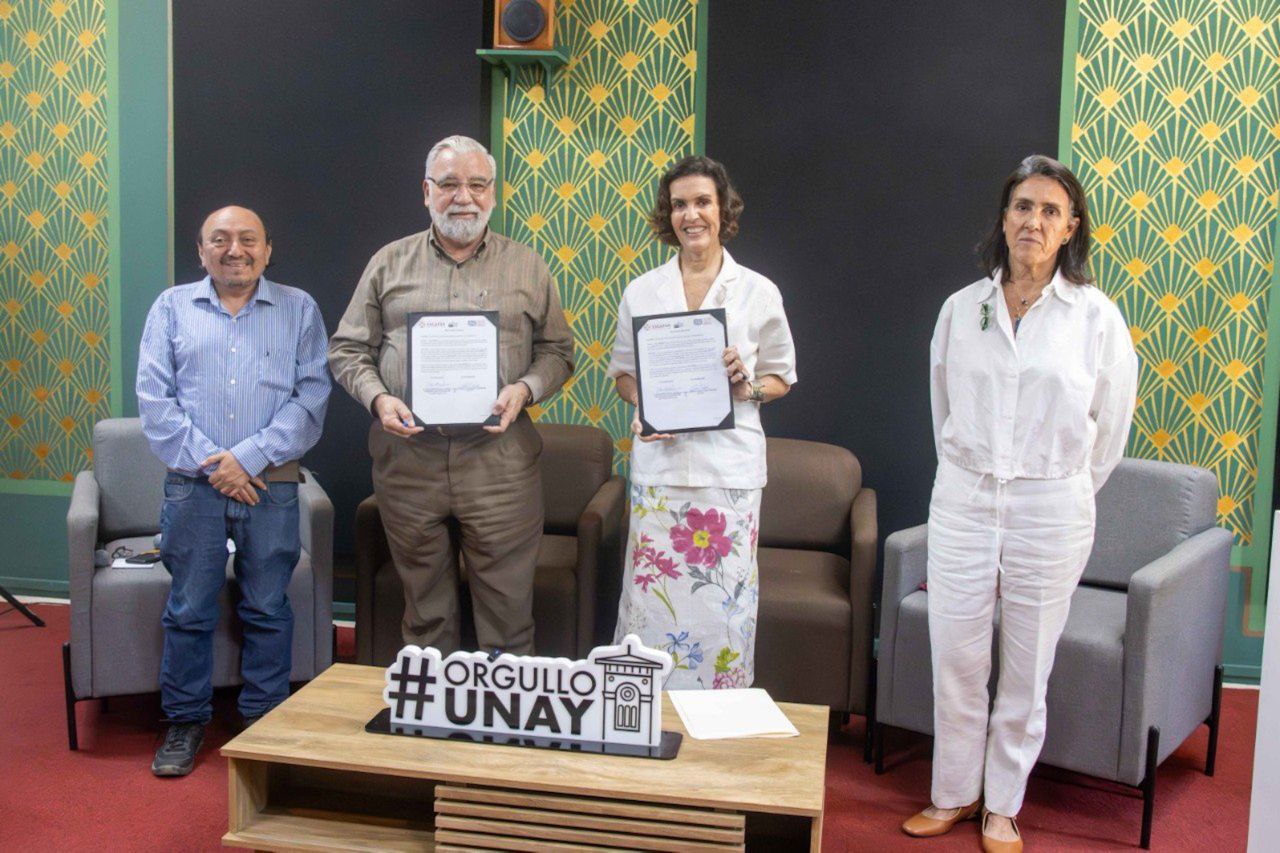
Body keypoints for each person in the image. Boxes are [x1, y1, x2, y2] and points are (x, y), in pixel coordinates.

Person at [903, 155, 1138, 852]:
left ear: (1070, 229)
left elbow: (1110, 429)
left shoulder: (1095, 318)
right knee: (956, 657)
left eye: (1049, 211)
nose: (1034, 220)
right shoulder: (961, 309)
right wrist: (973, 477)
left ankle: (1003, 804)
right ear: (1004, 220)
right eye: (1023, 207)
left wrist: (1058, 487)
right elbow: (943, 407)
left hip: (1050, 507)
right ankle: (953, 793)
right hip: (964, 499)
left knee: (1028, 665)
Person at [329, 134, 574, 657]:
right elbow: (347, 349)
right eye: (449, 184)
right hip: (408, 461)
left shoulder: (528, 265)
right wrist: (378, 399)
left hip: (499, 465)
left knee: (509, 619)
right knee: (424, 617)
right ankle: (431, 709)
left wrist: (525, 389)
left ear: (493, 192)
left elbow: (557, 351)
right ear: (427, 191)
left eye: (477, 184)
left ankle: (505, 707)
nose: (464, 196)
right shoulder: (388, 263)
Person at [137, 206, 331, 777]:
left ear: (268, 249)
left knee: (268, 606)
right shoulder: (170, 307)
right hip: (190, 486)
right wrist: (217, 466)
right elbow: (155, 400)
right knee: (188, 609)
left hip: (271, 483)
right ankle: (185, 721)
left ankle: (263, 719)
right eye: (219, 240)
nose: (234, 250)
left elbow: (311, 397)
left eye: (248, 239)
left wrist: (245, 460)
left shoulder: (299, 309)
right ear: (201, 251)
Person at [608, 155, 796, 689]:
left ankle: (720, 718)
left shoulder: (758, 291)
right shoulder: (642, 291)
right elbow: (623, 375)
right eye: (679, 205)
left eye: (702, 202)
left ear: (723, 209)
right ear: (667, 215)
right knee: (651, 611)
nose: (691, 215)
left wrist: (747, 388)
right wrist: (644, 403)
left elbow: (781, 377)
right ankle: (647, 710)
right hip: (660, 476)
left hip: (727, 477)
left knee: (723, 615)